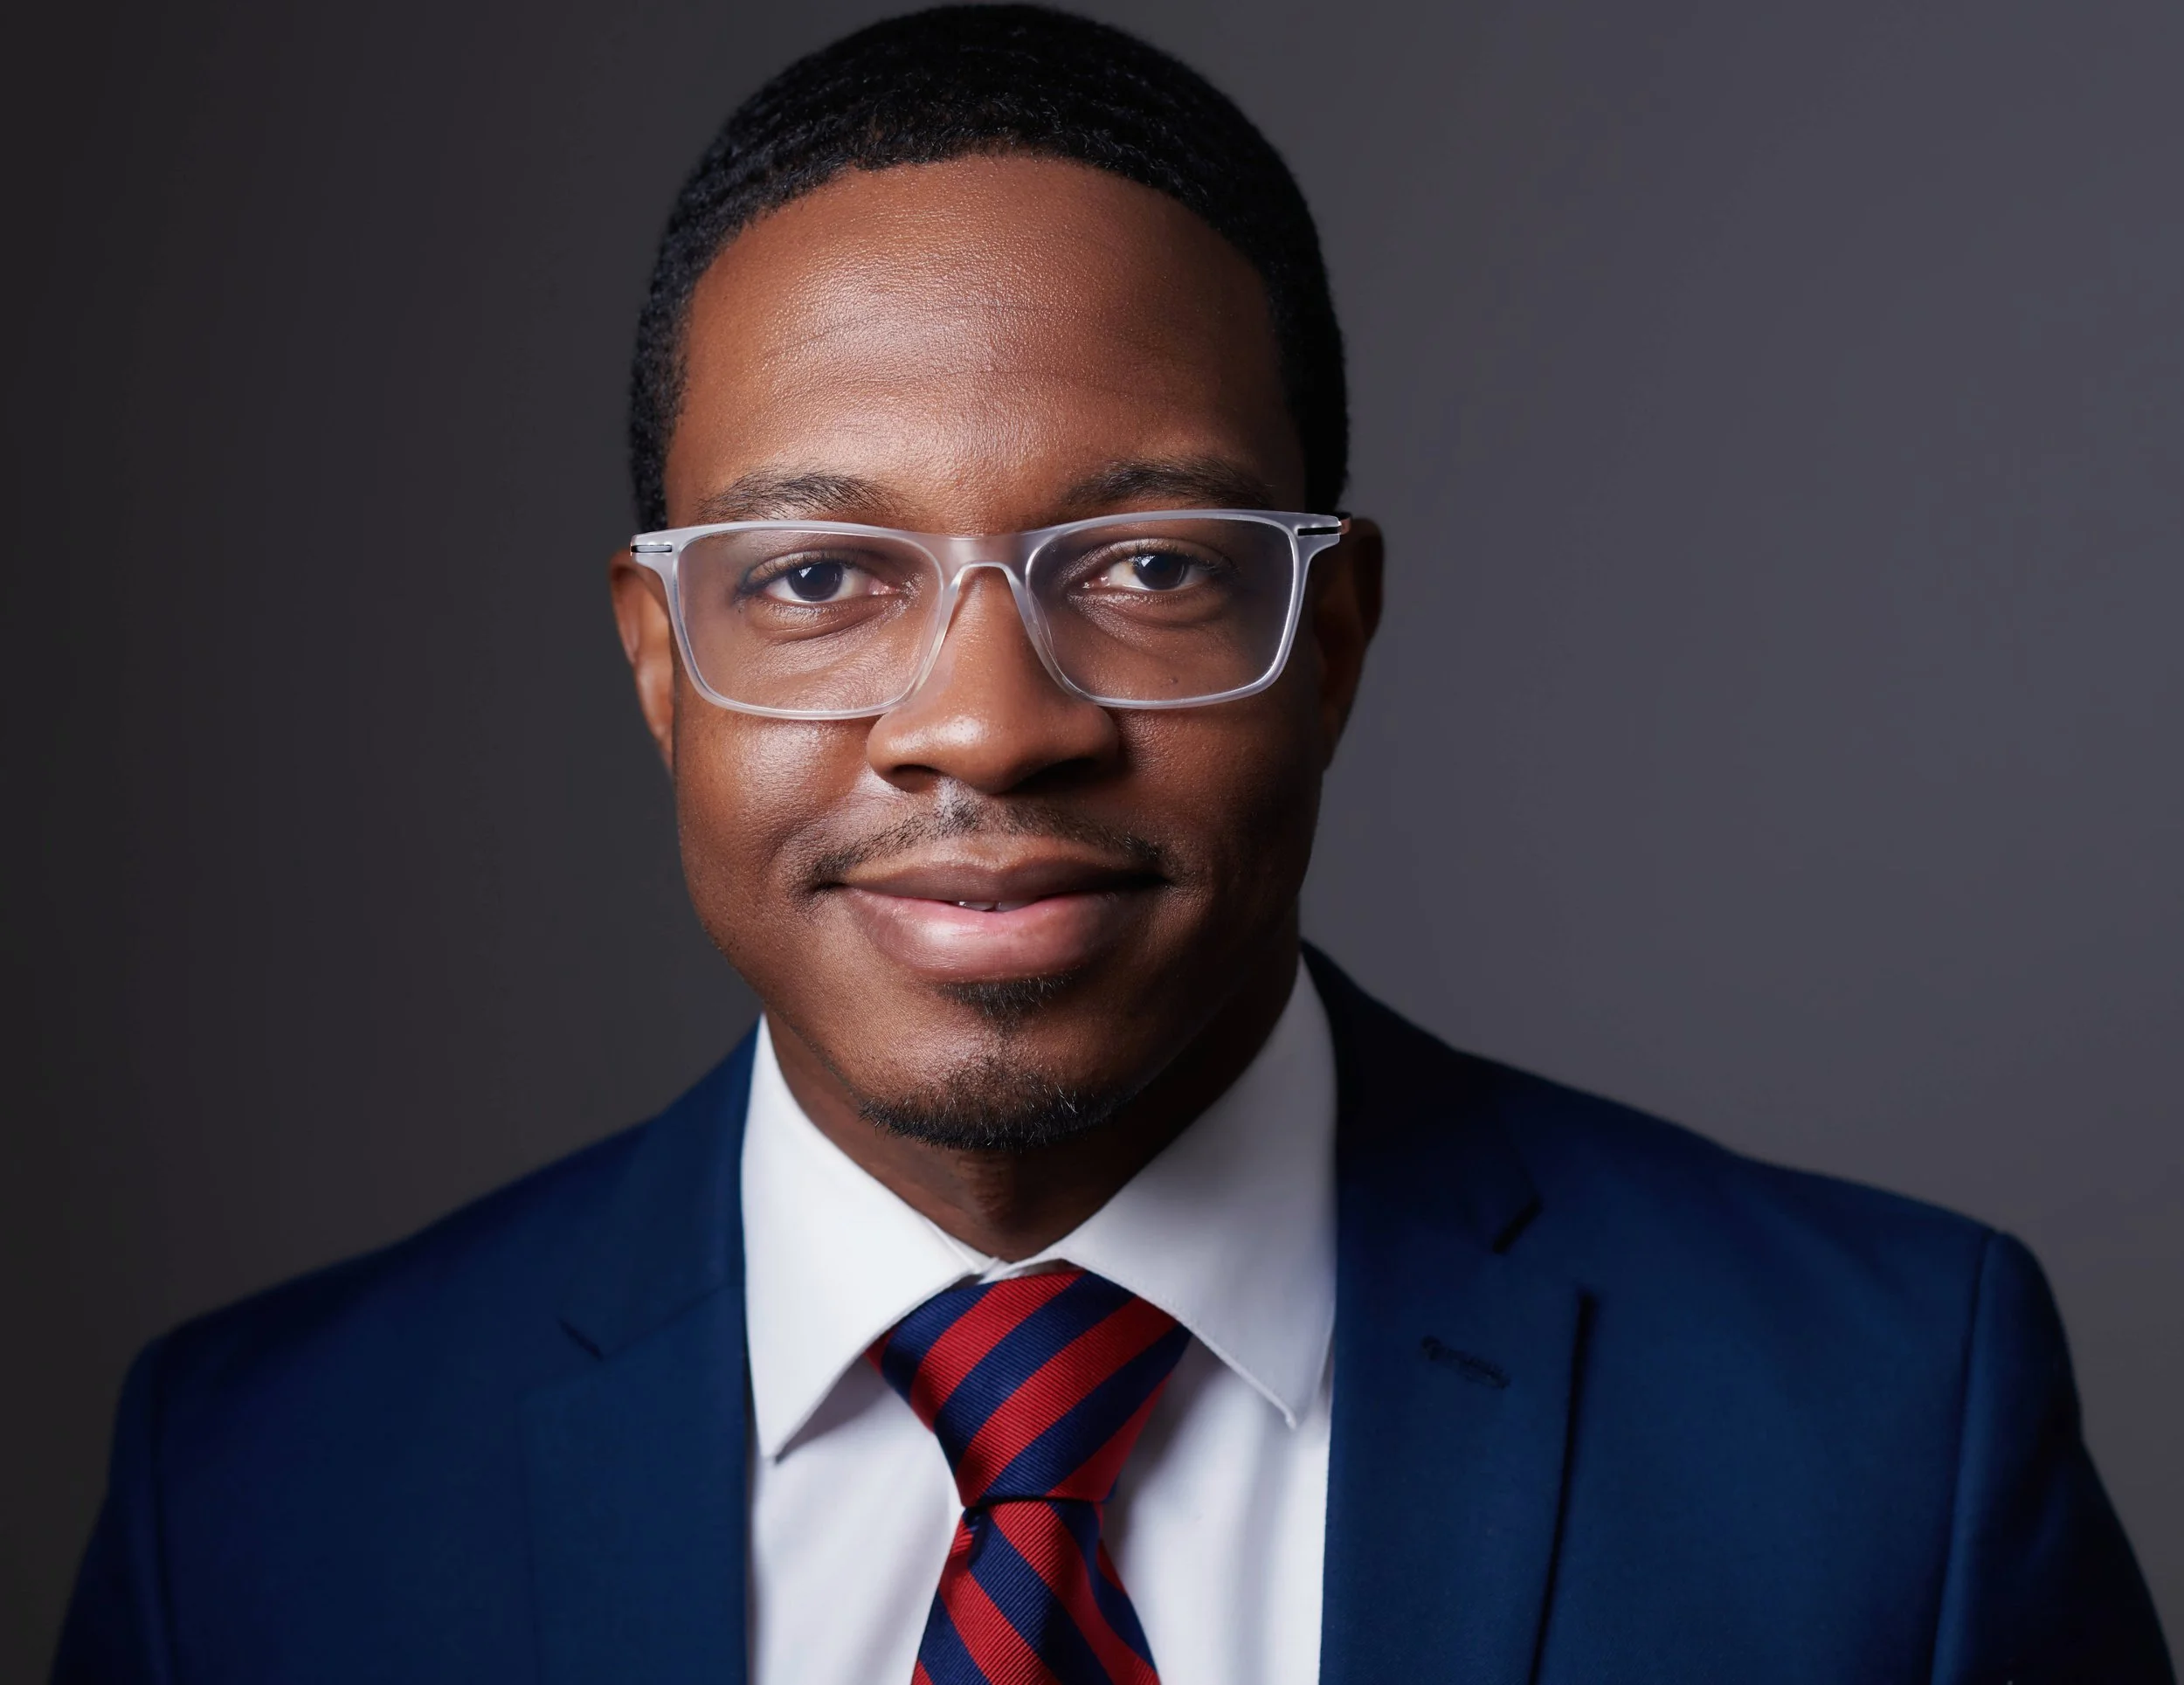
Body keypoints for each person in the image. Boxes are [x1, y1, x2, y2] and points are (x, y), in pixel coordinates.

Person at [54, 7, 2171, 1682]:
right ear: (656, 662)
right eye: (813, 580)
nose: (983, 719)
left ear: (1325, 642)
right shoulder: (257, 1489)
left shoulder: (1882, 1426)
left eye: (1149, 563)